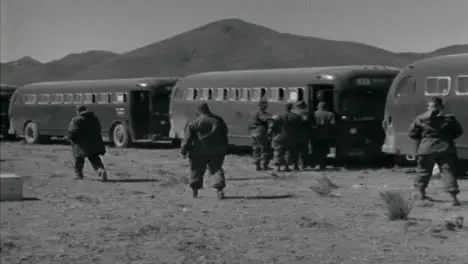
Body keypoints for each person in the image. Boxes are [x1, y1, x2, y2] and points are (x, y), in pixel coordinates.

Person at [409, 97, 463, 206]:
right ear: (441, 106)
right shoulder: (450, 118)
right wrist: (447, 138)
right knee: (448, 172)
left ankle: (421, 194)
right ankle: (454, 199)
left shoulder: (420, 118)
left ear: (429, 106)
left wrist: (424, 139)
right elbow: (459, 132)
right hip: (446, 148)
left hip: (426, 148)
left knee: (423, 171)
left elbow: (413, 134)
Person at [181, 102, 229, 199]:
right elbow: (225, 133)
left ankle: (195, 190)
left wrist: (184, 150)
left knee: (196, 170)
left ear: (198, 111)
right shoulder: (218, 120)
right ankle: (220, 190)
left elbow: (187, 139)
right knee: (216, 169)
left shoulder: (195, 122)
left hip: (199, 151)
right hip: (217, 150)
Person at [68, 105, 107, 181]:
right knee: (95, 159)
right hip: (94, 143)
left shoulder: (76, 120)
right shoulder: (94, 118)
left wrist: (71, 138)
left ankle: (79, 175)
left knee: (79, 159)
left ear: (78, 111)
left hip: (80, 144)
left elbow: (72, 131)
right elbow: (99, 129)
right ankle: (101, 171)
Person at [269, 103, 303, 172]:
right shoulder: (297, 117)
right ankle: (287, 166)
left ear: (285, 108)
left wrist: (270, 134)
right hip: (292, 137)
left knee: (278, 151)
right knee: (289, 152)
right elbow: (300, 127)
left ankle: (277, 167)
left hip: (281, 136)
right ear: (292, 108)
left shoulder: (279, 116)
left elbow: (272, 126)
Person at [248, 100, 273, 171]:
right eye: (265, 105)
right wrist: (273, 117)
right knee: (265, 149)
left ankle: (257, 165)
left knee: (256, 149)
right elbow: (264, 119)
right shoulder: (260, 112)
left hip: (253, 132)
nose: (267, 106)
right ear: (262, 105)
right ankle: (264, 165)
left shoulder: (252, 112)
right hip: (260, 132)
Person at [311, 101, 336, 170]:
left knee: (316, 150)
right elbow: (333, 124)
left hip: (315, 135)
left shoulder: (314, 114)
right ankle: (322, 164)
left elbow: (310, 124)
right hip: (326, 135)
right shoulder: (330, 114)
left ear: (318, 107)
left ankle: (316, 163)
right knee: (324, 150)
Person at [292, 100, 311, 169]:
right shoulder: (304, 112)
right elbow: (305, 120)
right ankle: (303, 164)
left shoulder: (293, 111)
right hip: (302, 133)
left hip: (294, 133)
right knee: (303, 150)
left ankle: (295, 165)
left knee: (295, 150)